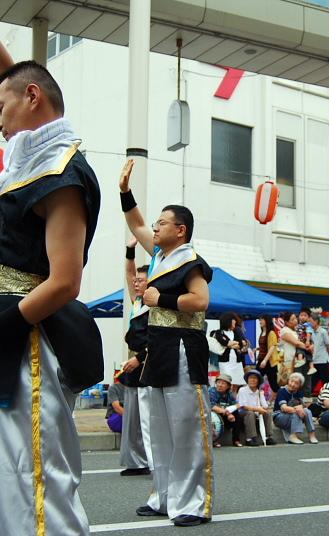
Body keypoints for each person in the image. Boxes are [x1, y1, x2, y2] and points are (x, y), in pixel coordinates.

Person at [0, 2, 104, 534]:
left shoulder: (62, 171)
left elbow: (64, 282)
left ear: (34, 99)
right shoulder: (36, 156)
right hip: (15, 328)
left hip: (34, 338)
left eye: (4, 106)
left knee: (35, 476)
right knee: (7, 472)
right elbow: (5, 73)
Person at [121, 160, 214, 527]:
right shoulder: (160, 256)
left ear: (181, 229)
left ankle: (193, 502)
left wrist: (163, 300)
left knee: (187, 428)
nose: (155, 227)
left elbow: (201, 300)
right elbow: (135, 223)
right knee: (156, 430)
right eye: (156, 222)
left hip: (181, 348)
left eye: (162, 222)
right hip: (157, 348)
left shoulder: (190, 260)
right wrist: (125, 192)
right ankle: (163, 495)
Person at [116, 240, 151, 476]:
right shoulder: (137, 302)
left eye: (141, 279)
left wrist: (139, 358)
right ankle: (134, 461)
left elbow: (159, 340)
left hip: (148, 361)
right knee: (133, 416)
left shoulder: (157, 306)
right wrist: (130, 250)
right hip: (133, 361)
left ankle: (149, 460)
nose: (136, 282)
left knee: (147, 416)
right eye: (136, 280)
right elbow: (129, 273)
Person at [273, 372, 317, 444]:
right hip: (279, 417)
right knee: (296, 412)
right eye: (291, 381)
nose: (293, 384)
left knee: (307, 411)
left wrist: (301, 407)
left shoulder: (299, 392)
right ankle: (293, 436)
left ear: (300, 385)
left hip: (292, 416)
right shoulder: (282, 391)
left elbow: (303, 405)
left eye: (296, 383)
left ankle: (312, 434)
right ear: (288, 381)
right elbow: (284, 408)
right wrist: (298, 409)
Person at [210, 312, 247, 392]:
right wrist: (233, 343)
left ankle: (234, 399)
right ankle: (226, 399)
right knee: (226, 380)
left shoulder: (236, 331)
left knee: (237, 381)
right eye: (233, 320)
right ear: (228, 321)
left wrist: (232, 344)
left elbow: (242, 343)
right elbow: (226, 343)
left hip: (237, 361)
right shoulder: (219, 332)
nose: (235, 322)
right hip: (225, 362)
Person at [237, 370, 274, 446]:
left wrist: (263, 409)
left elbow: (265, 406)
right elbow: (243, 406)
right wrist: (257, 409)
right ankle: (250, 438)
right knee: (250, 413)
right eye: (250, 378)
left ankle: (268, 437)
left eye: (255, 378)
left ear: (258, 381)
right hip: (243, 413)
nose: (252, 380)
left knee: (268, 413)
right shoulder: (242, 390)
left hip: (256, 413)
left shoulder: (260, 392)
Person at [209, 374, 242, 448]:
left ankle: (236, 440)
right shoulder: (212, 391)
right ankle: (214, 440)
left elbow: (237, 405)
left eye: (223, 383)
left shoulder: (229, 394)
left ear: (228, 386)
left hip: (225, 417)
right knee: (214, 416)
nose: (220, 385)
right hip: (214, 416)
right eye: (218, 382)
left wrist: (231, 410)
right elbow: (212, 406)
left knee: (237, 414)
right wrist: (228, 413)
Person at [278, 313, 310, 388]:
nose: (295, 320)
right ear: (286, 322)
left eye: (295, 318)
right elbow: (296, 343)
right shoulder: (284, 330)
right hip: (287, 360)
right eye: (292, 319)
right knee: (286, 382)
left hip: (296, 360)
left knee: (296, 383)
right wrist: (308, 348)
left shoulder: (296, 330)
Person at [256, 314, 280, 397]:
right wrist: (257, 349)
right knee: (255, 379)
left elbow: (272, 348)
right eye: (260, 320)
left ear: (267, 321)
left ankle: (281, 399)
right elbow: (265, 346)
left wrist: (265, 361)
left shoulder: (271, 333)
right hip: (261, 359)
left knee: (273, 384)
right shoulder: (262, 332)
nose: (260, 321)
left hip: (269, 361)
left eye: (262, 319)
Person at [309, 312, 329, 394]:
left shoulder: (323, 332)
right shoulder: (310, 332)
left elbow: (328, 345)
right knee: (312, 382)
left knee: (326, 382)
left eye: (311, 322)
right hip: (314, 361)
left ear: (316, 321)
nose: (310, 324)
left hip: (322, 361)